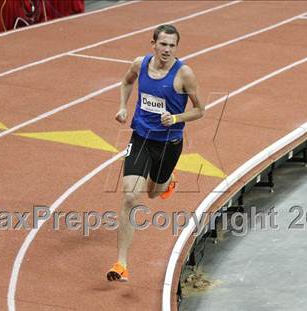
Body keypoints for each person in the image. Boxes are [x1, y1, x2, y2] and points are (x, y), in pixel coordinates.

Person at [107, 24, 205, 282]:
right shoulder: (140, 64)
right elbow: (126, 81)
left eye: (172, 46)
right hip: (140, 137)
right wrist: (123, 107)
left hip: (168, 143)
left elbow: (199, 110)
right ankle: (121, 264)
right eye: (163, 44)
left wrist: (175, 118)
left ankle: (168, 180)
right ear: (153, 43)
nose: (167, 50)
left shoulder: (184, 74)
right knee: (130, 196)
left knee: (153, 192)